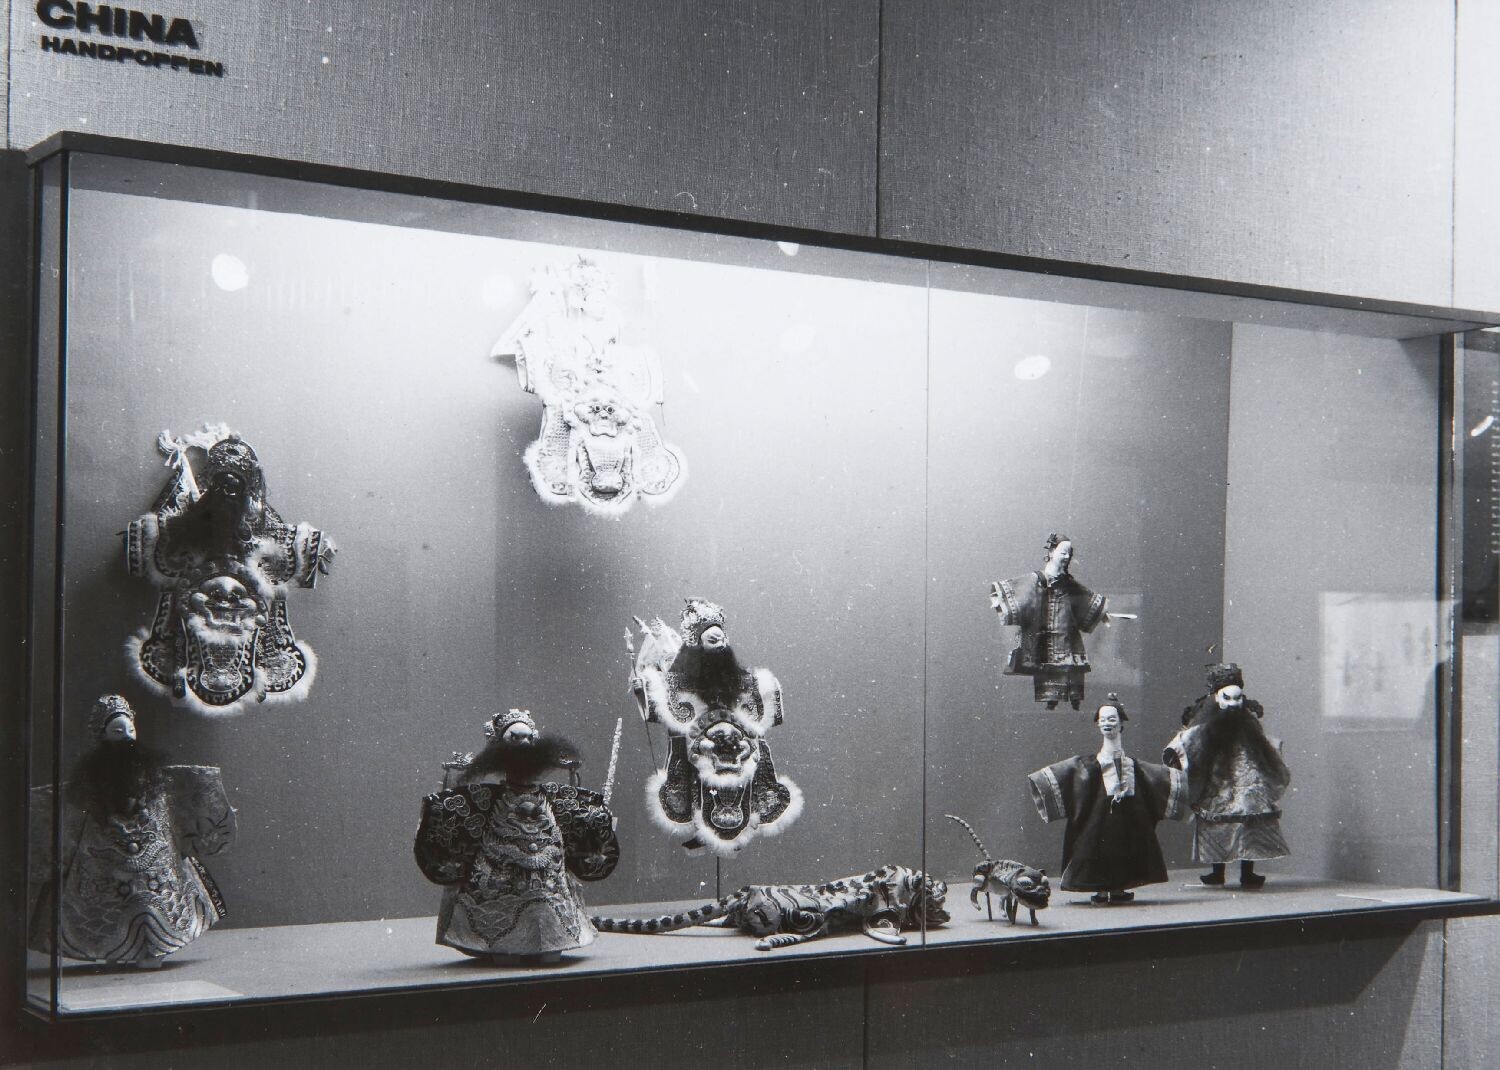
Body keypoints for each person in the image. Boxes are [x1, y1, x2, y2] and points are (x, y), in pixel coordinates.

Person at [28, 695, 235, 967]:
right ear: (103, 735)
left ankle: (157, 948)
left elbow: (166, 800)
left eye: (130, 729)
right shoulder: (91, 776)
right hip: (105, 848)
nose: (126, 736)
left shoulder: (150, 769)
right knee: (108, 900)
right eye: (117, 731)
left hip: (152, 844)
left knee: (159, 896)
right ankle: (113, 947)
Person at [415, 709, 618, 964]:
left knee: (551, 893)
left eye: (527, 738)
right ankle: (499, 941)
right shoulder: (486, 799)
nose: (522, 744)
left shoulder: (550, 797)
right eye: (515, 738)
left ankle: (554, 936)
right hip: (500, 857)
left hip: (546, 853)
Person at [628, 599, 801, 854]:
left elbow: (765, 702)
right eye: (712, 640)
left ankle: (736, 827)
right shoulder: (679, 682)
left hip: (739, 752)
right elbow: (659, 697)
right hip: (699, 753)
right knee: (695, 787)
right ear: (698, 644)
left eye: (721, 639)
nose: (719, 644)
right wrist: (642, 689)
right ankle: (703, 829)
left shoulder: (745, 681)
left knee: (743, 785)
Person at [1027, 694, 1187, 903]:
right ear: (1097, 723)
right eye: (1102, 719)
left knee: (1125, 847)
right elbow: (1070, 773)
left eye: (1112, 719)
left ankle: (1119, 889)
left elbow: (1155, 777)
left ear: (1121, 724)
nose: (1107, 723)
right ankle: (1101, 890)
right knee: (1096, 847)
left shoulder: (1132, 765)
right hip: (1098, 816)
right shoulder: (1089, 764)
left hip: (1126, 816)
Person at [1165, 664, 1290, 888]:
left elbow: (1264, 746)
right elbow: (1190, 741)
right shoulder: (1206, 728)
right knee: (1217, 825)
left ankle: (1247, 873)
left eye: (1238, 698)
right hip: (1217, 782)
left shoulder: (1249, 727)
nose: (1233, 704)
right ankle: (1217, 872)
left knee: (1249, 827)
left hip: (1247, 781)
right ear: (1217, 698)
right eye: (1227, 698)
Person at [990, 533, 1110, 709]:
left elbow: (1084, 599)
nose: (1067, 557)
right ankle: (1051, 702)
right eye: (1063, 552)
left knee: (1072, 672)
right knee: (1048, 667)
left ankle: (1074, 701)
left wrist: (1101, 613)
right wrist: (1000, 601)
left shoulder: (1069, 583)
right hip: (1045, 635)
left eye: (1069, 553)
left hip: (1068, 635)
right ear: (1052, 552)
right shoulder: (1035, 579)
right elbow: (1020, 594)